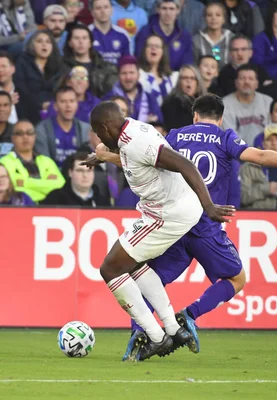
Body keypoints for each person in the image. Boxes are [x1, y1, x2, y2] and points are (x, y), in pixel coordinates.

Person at [88, 94, 277, 358]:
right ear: (220, 118)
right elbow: (260, 156)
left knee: (144, 275)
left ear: (194, 115)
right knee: (236, 279)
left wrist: (105, 156)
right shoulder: (225, 137)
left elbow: (150, 160)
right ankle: (188, 316)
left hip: (174, 224)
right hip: (204, 224)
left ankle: (143, 331)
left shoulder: (175, 135)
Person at [81, 99, 236, 361]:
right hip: (167, 209)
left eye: (98, 132)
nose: (98, 137)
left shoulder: (137, 141)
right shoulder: (131, 133)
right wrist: (103, 156)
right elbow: (137, 160)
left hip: (169, 212)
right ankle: (174, 330)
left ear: (106, 128)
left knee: (110, 268)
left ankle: (156, 337)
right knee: (133, 264)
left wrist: (208, 206)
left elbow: (185, 165)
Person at [0, 119, 66, 202]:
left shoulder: (47, 161)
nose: (25, 137)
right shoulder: (5, 162)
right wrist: (45, 184)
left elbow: (60, 186)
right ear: (13, 138)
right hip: (21, 207)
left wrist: (25, 183)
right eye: (20, 133)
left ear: (35, 136)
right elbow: (13, 190)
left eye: (29, 133)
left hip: (49, 207)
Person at [240, 123, 277, 209]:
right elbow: (242, 197)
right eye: (269, 139)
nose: (274, 143)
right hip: (258, 217)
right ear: (263, 144)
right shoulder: (248, 168)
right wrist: (265, 189)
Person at [42, 151, 111, 206]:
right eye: (80, 171)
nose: (85, 175)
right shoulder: (54, 198)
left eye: (89, 171)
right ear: (70, 172)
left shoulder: (103, 202)